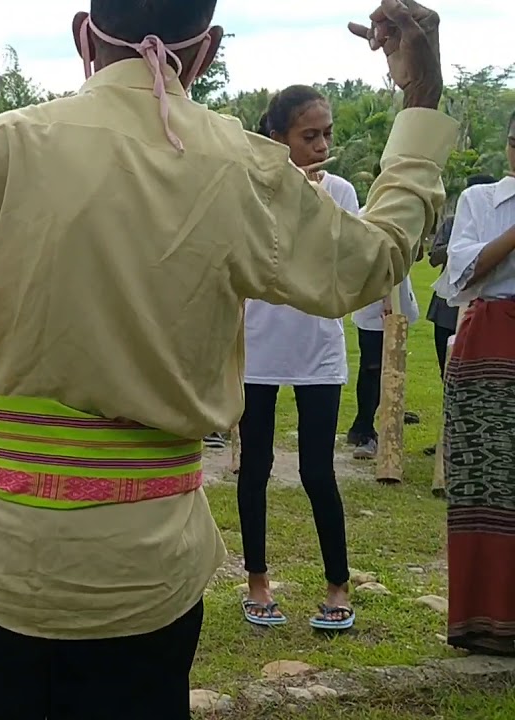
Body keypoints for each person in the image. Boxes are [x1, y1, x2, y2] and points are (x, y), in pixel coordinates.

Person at [0, 0, 454, 715]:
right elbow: (369, 263)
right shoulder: (243, 165)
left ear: (83, 36)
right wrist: (420, 100)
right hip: (147, 566)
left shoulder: (13, 145)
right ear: (207, 51)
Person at [238, 86, 356, 631]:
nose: (321, 144)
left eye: (325, 134)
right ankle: (257, 582)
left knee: (317, 471)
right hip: (257, 349)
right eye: (309, 135)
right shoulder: (249, 194)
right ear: (276, 137)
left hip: (318, 350)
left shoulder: (342, 193)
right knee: (254, 468)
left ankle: (338, 585)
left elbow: (344, 264)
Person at [433, 110, 515, 657]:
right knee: (487, 483)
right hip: (489, 344)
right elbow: (460, 276)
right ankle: (488, 622)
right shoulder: (480, 202)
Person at [427, 174, 497, 378]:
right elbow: (433, 258)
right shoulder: (451, 224)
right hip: (447, 307)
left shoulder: (498, 229)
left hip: (482, 306)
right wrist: (460, 249)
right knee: (446, 367)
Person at [347, 275, 420, 459]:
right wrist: (387, 298)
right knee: (373, 368)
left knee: (392, 363)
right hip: (376, 302)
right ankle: (364, 430)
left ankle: (389, 409)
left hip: (397, 297)